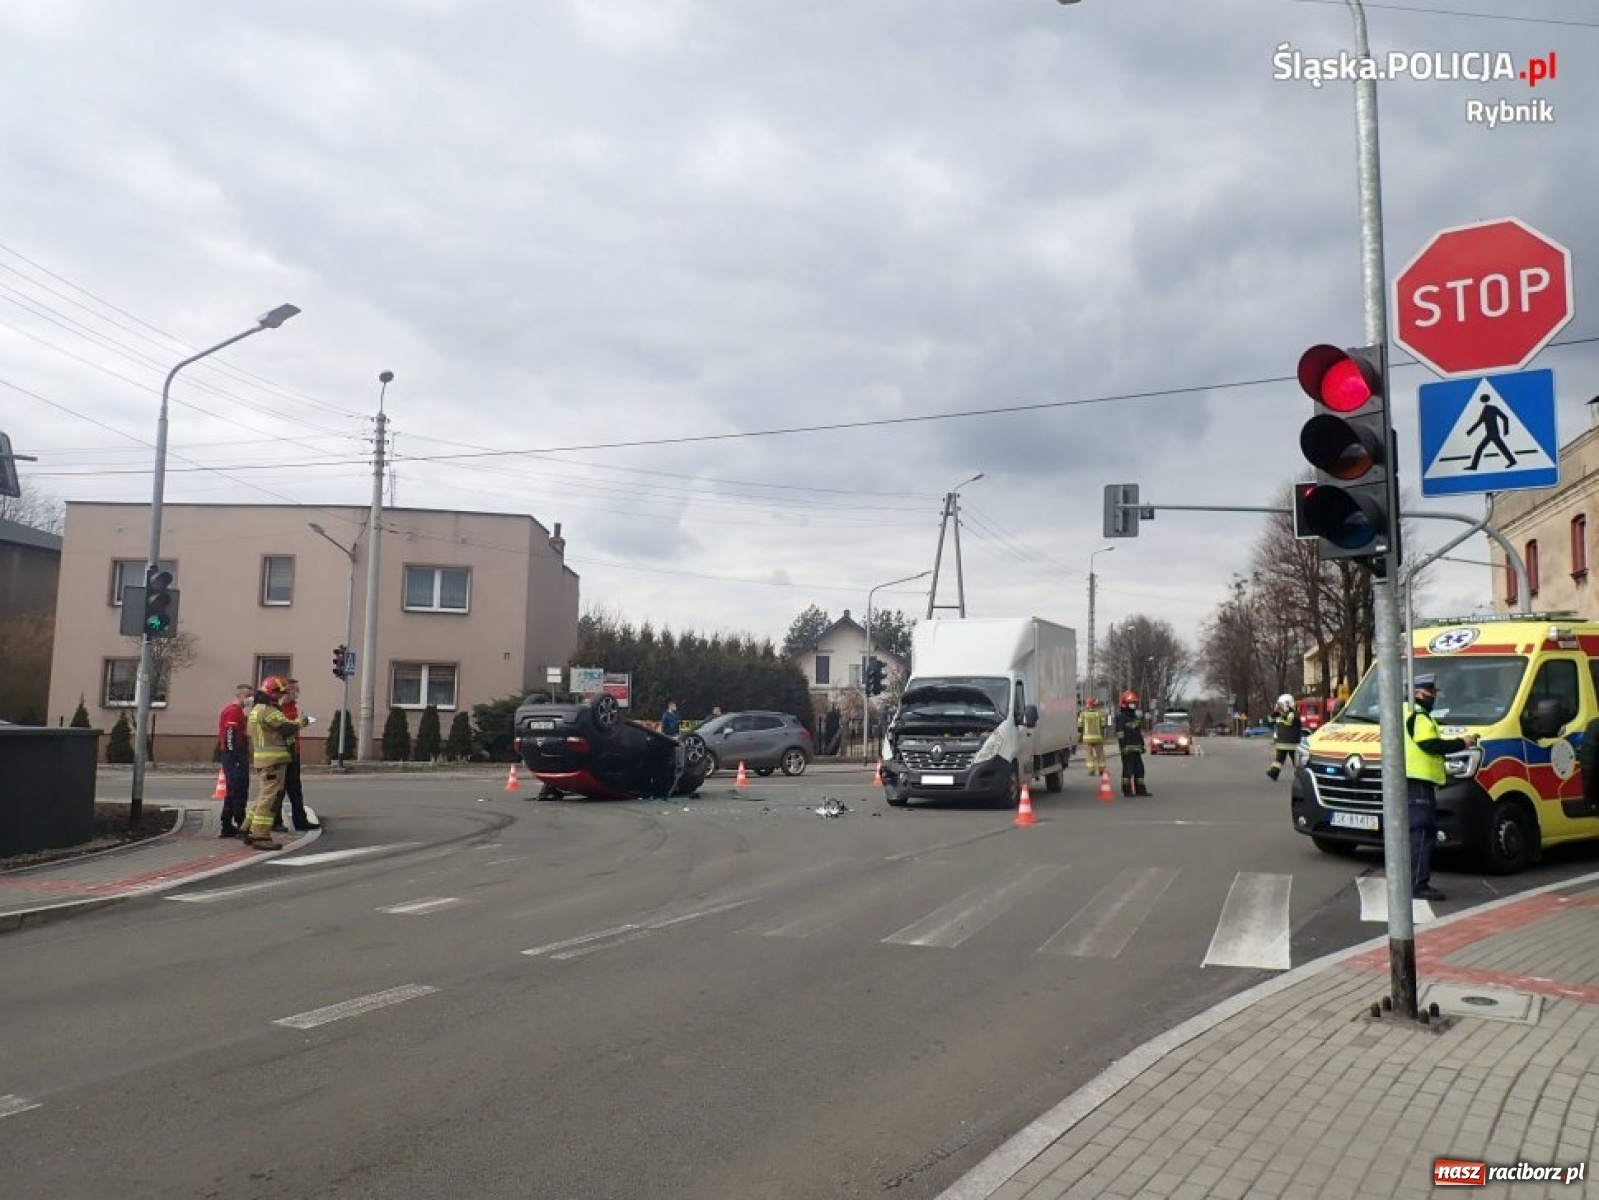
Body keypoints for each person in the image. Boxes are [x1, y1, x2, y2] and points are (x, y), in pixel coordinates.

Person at [1403, 674, 1477, 902]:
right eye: (1430, 693)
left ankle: (1413, 881)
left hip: (1412, 781)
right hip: (1419, 782)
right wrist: (1462, 743)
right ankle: (1418, 883)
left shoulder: (1407, 713)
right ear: (1418, 693)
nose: (1433, 698)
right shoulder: (1419, 716)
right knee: (1422, 833)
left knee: (1417, 833)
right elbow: (1430, 745)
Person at [244, 677, 310, 850]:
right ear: (272, 694)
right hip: (274, 761)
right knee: (269, 799)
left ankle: (247, 828)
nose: (281, 697)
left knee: (263, 796)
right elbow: (287, 728)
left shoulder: (256, 710)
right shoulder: (269, 711)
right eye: (280, 694)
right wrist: (303, 722)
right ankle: (260, 835)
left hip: (263, 760)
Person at [274, 678, 320, 832]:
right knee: (278, 790)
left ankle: (300, 821)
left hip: (293, 751)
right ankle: (276, 822)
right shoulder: (278, 708)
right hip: (282, 752)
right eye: (293, 690)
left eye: (297, 690)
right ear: (285, 692)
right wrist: (303, 722)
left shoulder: (292, 706)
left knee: (295, 789)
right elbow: (285, 728)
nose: (296, 693)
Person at [216, 683, 254, 838]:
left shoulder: (235, 711)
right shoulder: (234, 712)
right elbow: (230, 734)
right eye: (247, 696)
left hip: (233, 756)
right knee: (238, 790)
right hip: (234, 756)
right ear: (239, 696)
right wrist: (236, 757)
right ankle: (241, 824)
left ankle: (227, 825)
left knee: (232, 791)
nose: (249, 700)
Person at [1115, 690, 1151, 797]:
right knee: (1128, 770)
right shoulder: (1121, 718)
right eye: (1131, 703)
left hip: (1136, 749)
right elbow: (1120, 734)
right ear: (1125, 704)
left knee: (1140, 769)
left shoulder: (1135, 717)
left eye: (1134, 703)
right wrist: (1123, 747)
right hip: (1127, 749)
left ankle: (1140, 790)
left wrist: (1142, 745)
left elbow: (1138, 733)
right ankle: (1127, 790)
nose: (1133, 705)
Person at [1266, 693, 1303, 781]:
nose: (1280, 707)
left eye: (1281, 705)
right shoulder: (1281, 714)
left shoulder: (1293, 714)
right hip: (1282, 743)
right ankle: (1274, 773)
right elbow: (1270, 721)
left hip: (1292, 743)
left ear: (1288, 704)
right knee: (1279, 760)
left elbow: (1289, 721)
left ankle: (1300, 776)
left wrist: (1280, 716)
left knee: (1296, 761)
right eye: (1279, 705)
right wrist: (1274, 713)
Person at [1078, 697, 1106, 775]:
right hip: (1098, 738)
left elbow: (1079, 726)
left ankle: (1091, 770)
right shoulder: (1100, 714)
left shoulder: (1083, 714)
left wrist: (1080, 736)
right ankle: (1101, 770)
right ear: (1094, 705)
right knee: (1100, 754)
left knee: (1089, 755)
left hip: (1087, 738)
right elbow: (1104, 725)